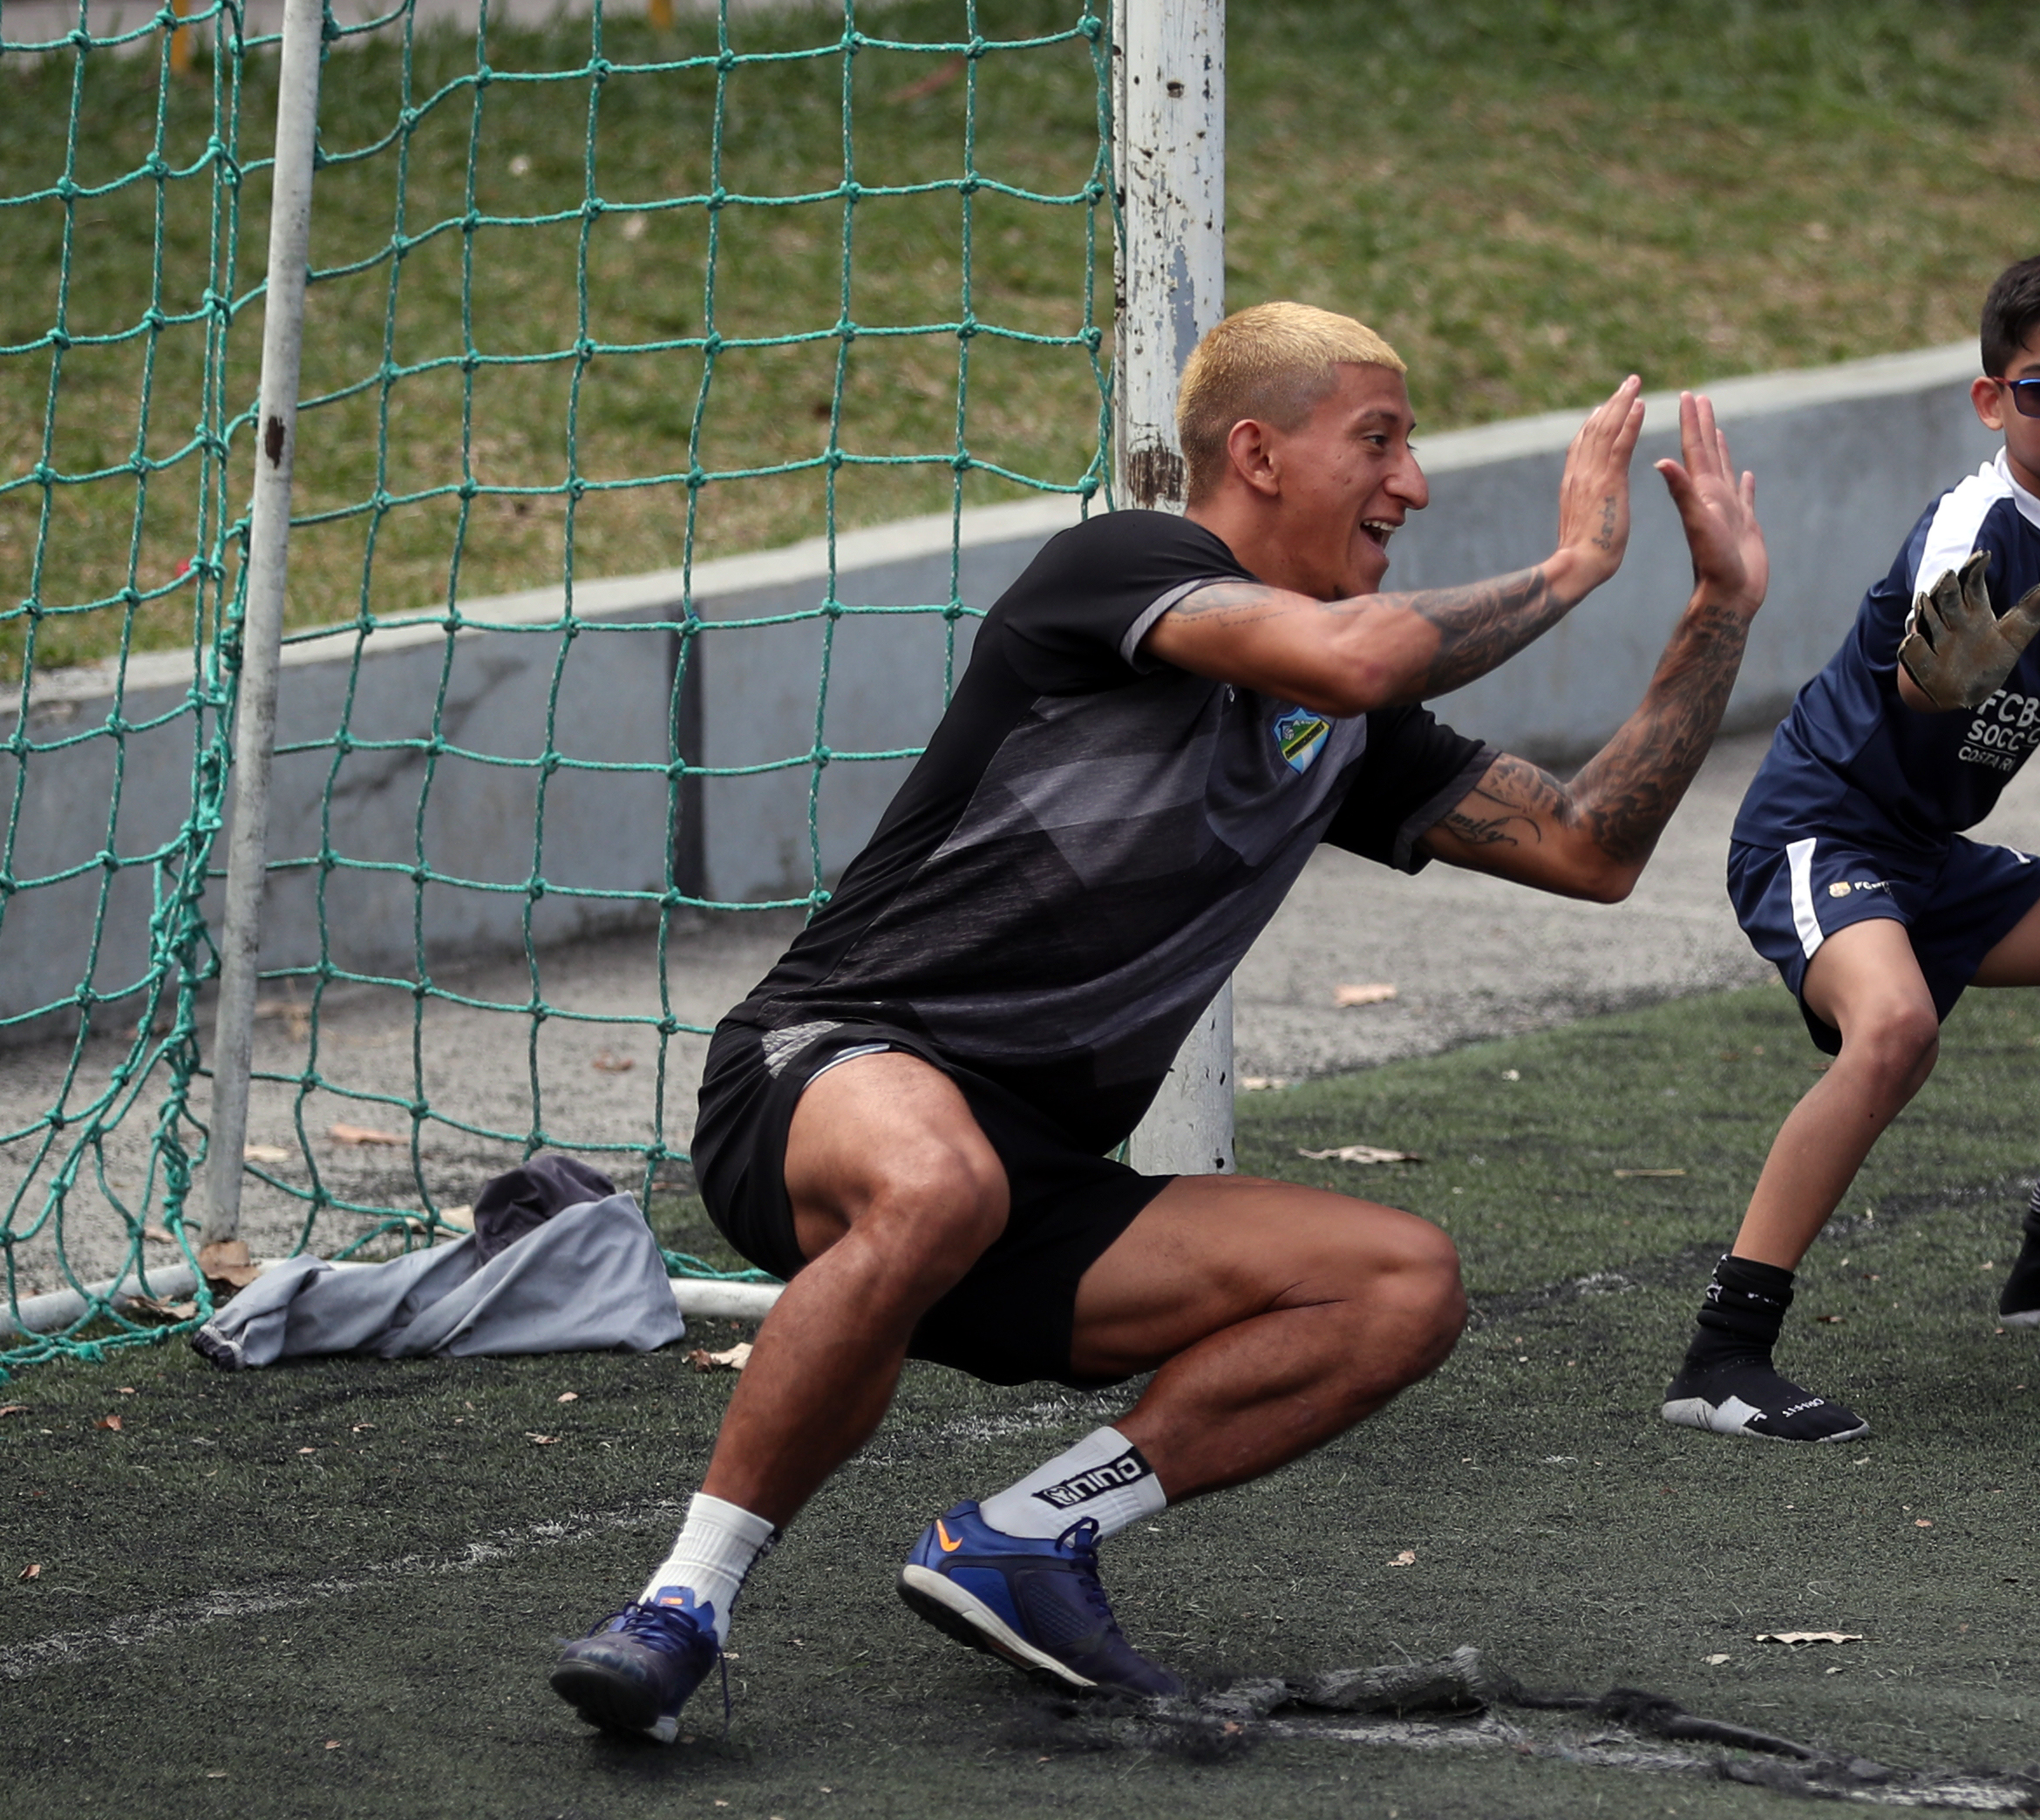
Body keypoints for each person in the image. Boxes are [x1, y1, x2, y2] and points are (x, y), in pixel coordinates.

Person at [549, 302, 1770, 1738]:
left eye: (1412, 447)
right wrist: (1574, 565)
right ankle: (680, 1602)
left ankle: (1023, 1534)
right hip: (826, 1071)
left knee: (1397, 1282)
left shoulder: (1344, 728)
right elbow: (1357, 659)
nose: (1413, 484)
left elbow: (1587, 849)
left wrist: (1718, 612)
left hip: (1035, 1187)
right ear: (1254, 451)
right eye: (1377, 441)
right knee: (938, 1175)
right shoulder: (1123, 570)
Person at [1662, 251, 2040, 1444]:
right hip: (1819, 828)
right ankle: (1721, 1356)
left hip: (1927, 853)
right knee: (1895, 1032)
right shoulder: (1976, 521)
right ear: (1992, 400)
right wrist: (1932, 684)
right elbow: (1920, 668)